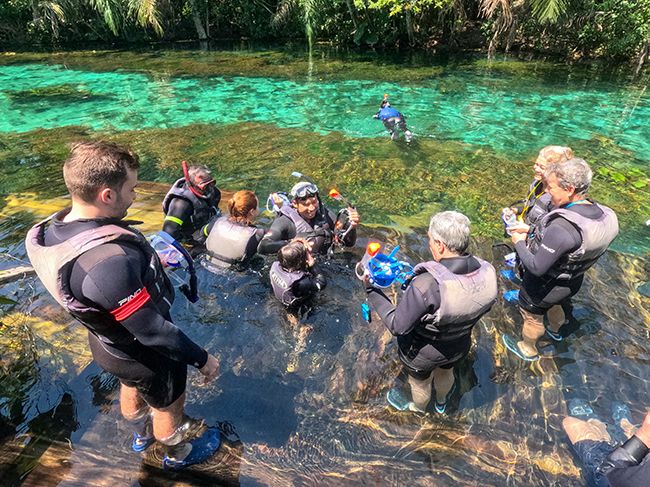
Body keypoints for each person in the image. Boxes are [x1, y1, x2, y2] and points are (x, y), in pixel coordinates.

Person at [25, 141, 221, 471]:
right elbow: (154, 331)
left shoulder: (54, 230)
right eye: (130, 188)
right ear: (107, 195)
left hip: (108, 345)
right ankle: (177, 451)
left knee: (130, 385)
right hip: (144, 354)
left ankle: (140, 435)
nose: (134, 195)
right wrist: (202, 359)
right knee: (167, 403)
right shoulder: (107, 264)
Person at [365, 211, 497, 414]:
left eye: (429, 240)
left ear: (440, 245)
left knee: (420, 384)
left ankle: (419, 409)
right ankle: (442, 403)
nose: (429, 245)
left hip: (422, 355)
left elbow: (397, 326)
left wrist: (371, 290)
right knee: (446, 372)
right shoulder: (487, 271)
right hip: (458, 346)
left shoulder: (426, 285)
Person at [502, 158, 619, 361]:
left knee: (533, 317)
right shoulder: (605, 214)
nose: (547, 192)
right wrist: (530, 229)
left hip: (542, 288)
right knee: (557, 306)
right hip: (572, 281)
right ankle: (556, 331)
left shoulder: (562, 226)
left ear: (570, 189)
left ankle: (528, 349)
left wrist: (519, 241)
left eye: (551, 187)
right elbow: (572, 244)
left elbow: (536, 267)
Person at [257, 181, 360, 256]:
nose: (311, 208)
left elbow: (348, 243)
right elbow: (263, 246)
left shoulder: (324, 214)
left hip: (325, 263)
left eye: (314, 202)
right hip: (299, 271)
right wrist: (291, 243)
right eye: (306, 204)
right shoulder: (285, 222)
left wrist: (352, 226)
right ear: (295, 204)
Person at [563, 401, 650, 486]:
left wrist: (643, 435)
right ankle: (626, 430)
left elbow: (608, 475)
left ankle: (615, 435)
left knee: (569, 422)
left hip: (611, 475)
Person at [508, 145, 574, 236]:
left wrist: (529, 230)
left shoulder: (557, 198)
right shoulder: (537, 183)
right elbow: (533, 206)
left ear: (555, 172)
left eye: (542, 167)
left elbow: (553, 233)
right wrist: (515, 210)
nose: (536, 168)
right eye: (536, 164)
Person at [162, 163, 221, 245]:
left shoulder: (214, 192)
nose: (209, 188)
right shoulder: (180, 204)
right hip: (190, 239)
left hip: (206, 228)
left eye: (211, 183)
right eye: (204, 186)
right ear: (191, 185)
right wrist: (188, 245)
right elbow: (168, 234)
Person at [205, 190, 264, 268]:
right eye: (258, 206)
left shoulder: (217, 222)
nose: (258, 208)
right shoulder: (256, 235)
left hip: (208, 265)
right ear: (252, 211)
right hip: (234, 275)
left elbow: (204, 232)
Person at [269, 239, 327, 307]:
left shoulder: (275, 265)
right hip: (295, 308)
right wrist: (312, 265)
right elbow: (322, 283)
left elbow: (287, 252)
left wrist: (300, 240)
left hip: (279, 298)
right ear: (300, 262)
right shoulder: (301, 282)